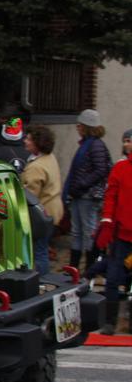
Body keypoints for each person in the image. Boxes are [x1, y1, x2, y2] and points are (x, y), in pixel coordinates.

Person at [62, 109, 111, 273]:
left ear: (86, 126)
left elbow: (100, 170)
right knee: (76, 232)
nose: (77, 126)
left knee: (88, 232)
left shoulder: (95, 145)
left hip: (88, 196)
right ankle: (73, 268)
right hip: (79, 195)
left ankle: (89, 270)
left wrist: (81, 184)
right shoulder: (87, 144)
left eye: (80, 124)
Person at [94, 128, 132, 334]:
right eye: (124, 141)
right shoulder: (120, 168)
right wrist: (107, 222)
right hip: (121, 236)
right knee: (113, 278)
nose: (125, 144)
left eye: (129, 141)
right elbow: (111, 196)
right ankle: (110, 321)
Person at [21, 125, 63, 276]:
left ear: (37, 143)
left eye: (28, 139)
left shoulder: (36, 167)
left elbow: (30, 195)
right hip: (54, 210)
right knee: (43, 249)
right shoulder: (49, 158)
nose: (25, 141)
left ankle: (41, 280)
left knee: (39, 252)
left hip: (42, 214)